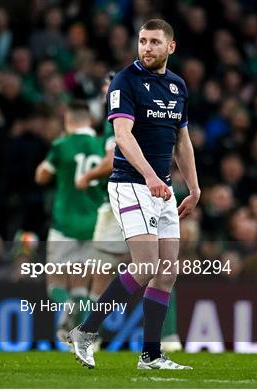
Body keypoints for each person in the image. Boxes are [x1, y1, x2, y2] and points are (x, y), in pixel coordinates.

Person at [67, 19, 200, 370]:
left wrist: (195, 187)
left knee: (167, 271)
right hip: (131, 183)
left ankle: (151, 354)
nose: (147, 48)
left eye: (155, 42)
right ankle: (85, 331)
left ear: (171, 47)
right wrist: (151, 175)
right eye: (142, 41)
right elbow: (123, 136)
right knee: (146, 266)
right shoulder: (125, 81)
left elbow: (182, 141)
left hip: (164, 187)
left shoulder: (177, 86)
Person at [76, 71, 183, 352]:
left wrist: (87, 178)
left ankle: (91, 333)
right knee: (156, 266)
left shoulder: (125, 114)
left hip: (125, 199)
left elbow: (113, 157)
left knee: (119, 269)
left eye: (107, 84)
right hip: (134, 195)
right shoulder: (121, 114)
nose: (105, 89)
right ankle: (161, 339)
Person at [35, 100, 105, 342]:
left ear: (68, 120)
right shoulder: (101, 147)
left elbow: (41, 176)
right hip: (94, 226)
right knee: (81, 285)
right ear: (90, 121)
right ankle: (85, 337)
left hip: (64, 225)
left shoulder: (61, 145)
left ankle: (66, 308)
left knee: (55, 281)